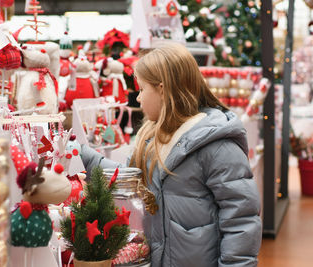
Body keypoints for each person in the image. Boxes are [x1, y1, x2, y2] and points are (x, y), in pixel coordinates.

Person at [80, 43, 262, 266]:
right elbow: (128, 178)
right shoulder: (151, 138)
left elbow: (241, 221)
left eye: (142, 89)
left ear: (163, 90)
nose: (137, 98)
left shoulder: (218, 146)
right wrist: (84, 157)